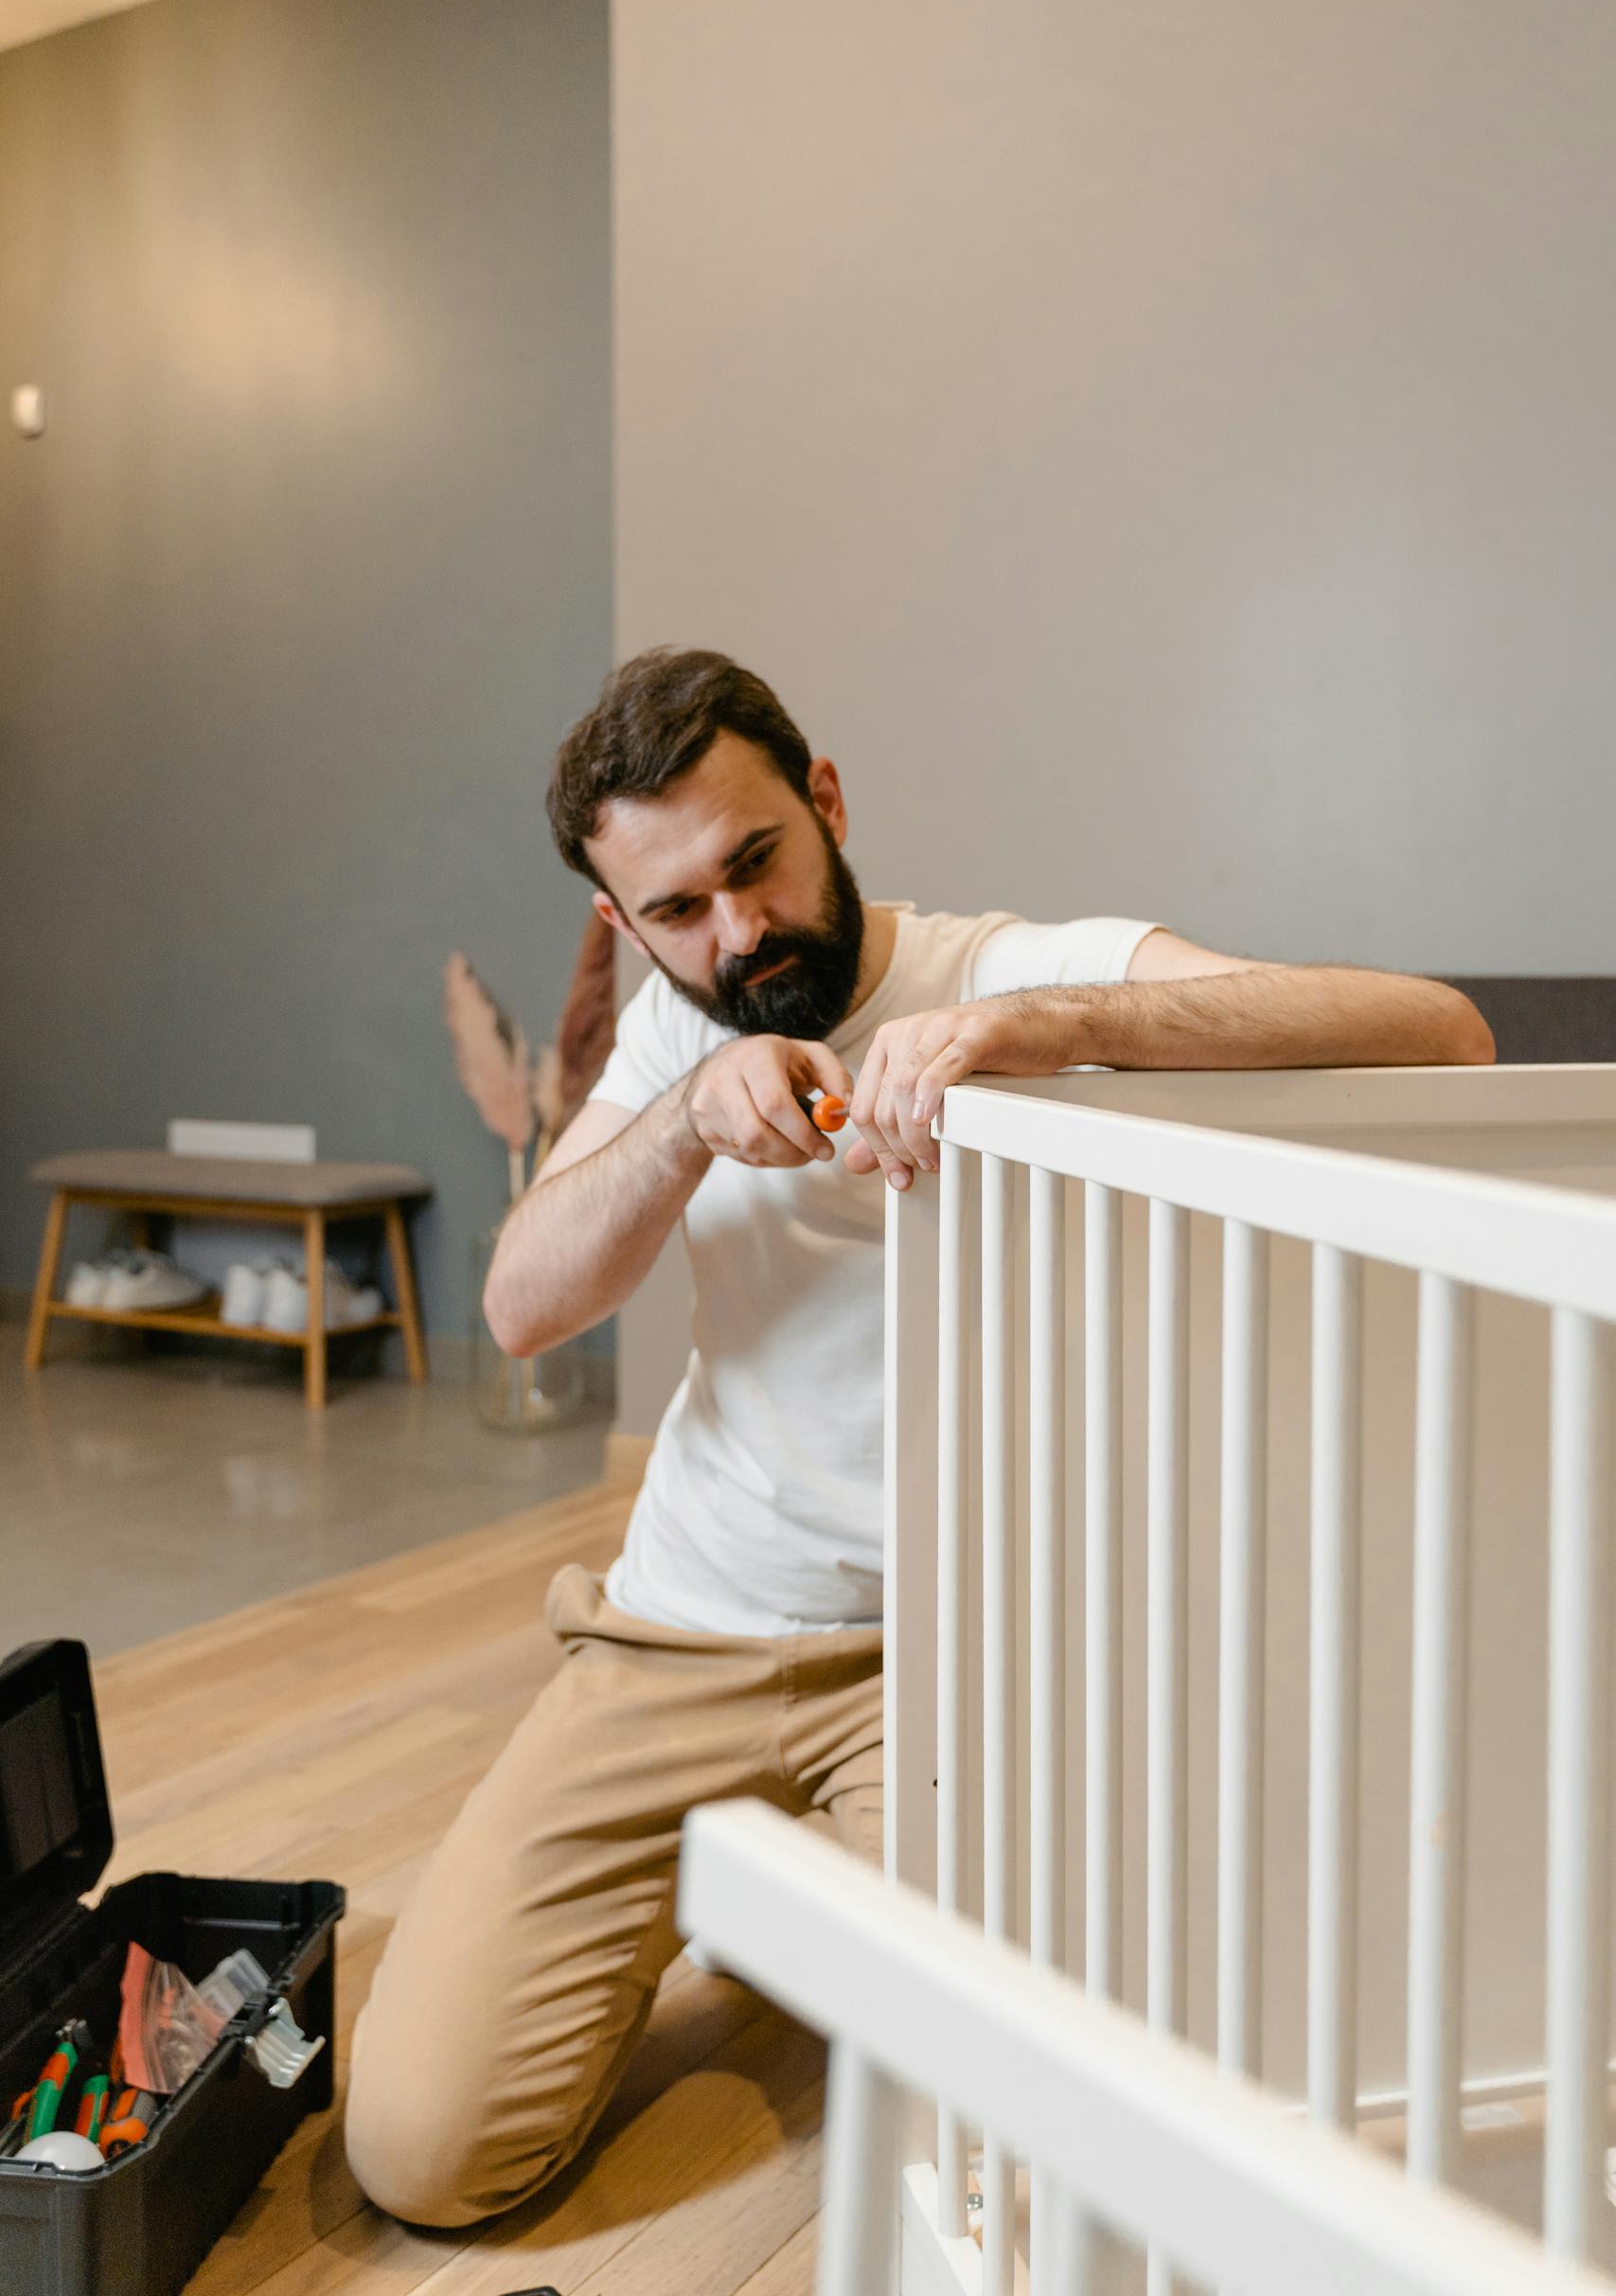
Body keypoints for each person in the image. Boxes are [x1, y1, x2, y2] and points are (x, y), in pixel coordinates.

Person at [345, 646, 1493, 2225]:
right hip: (679, 1631)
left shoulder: (1009, 966)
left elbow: (1438, 1034)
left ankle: (800, 1891)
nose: (739, 934)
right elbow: (525, 1307)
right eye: (677, 911)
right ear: (622, 925)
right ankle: (729, 1876)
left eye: (758, 863)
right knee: (422, 2152)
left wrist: (1052, 1024)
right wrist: (683, 1122)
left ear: (825, 802)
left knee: (1026, 2161)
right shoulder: (682, 1028)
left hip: (948, 1671)